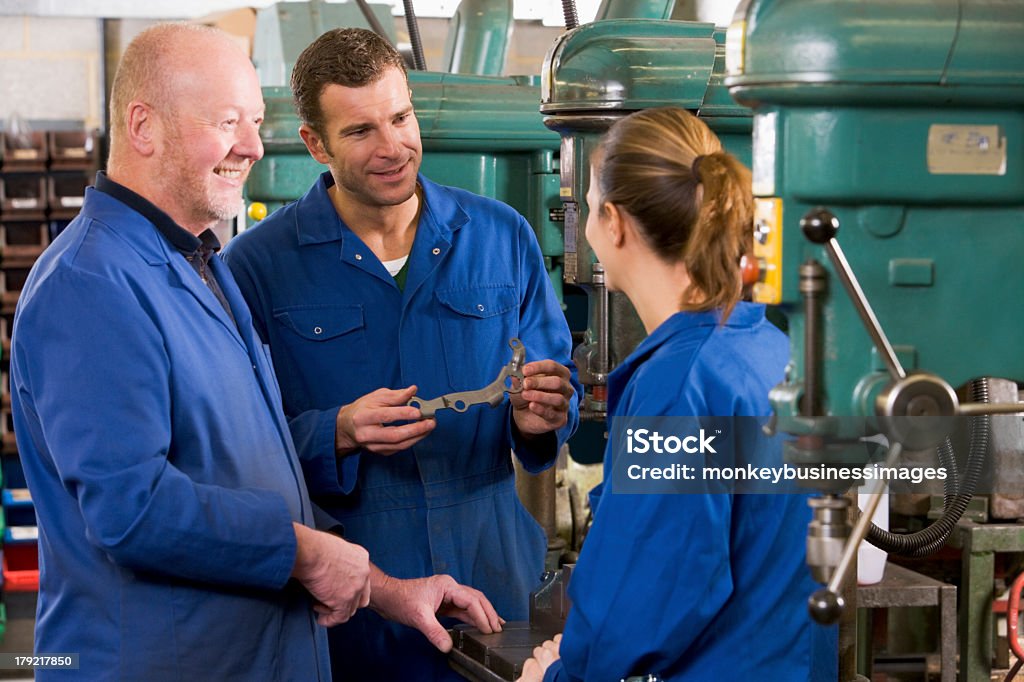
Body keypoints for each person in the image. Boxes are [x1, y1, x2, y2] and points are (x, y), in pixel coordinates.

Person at [10, 23, 500, 681]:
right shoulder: (92, 285)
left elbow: (252, 477)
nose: (249, 145)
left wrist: (386, 588)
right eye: (226, 121)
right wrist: (308, 556)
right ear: (143, 127)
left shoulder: (197, 263)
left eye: (255, 121)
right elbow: (132, 510)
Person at [223, 27, 580, 682]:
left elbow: (557, 385)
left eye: (400, 117)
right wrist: (334, 432)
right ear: (315, 143)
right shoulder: (255, 269)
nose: (392, 148)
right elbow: (229, 447)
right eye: (360, 131)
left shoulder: (501, 237)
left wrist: (542, 418)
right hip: (350, 596)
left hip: (494, 579)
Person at [517, 107, 837, 681]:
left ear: (613, 223)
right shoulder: (769, 348)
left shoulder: (680, 386)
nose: (585, 224)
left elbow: (647, 591)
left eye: (585, 207)